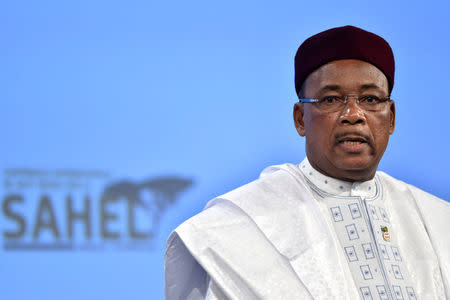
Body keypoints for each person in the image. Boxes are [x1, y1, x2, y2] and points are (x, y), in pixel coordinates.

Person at [165, 25, 449, 299]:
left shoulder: (438, 220)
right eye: (331, 99)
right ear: (300, 119)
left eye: (370, 98)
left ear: (391, 118)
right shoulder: (234, 230)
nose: (353, 113)